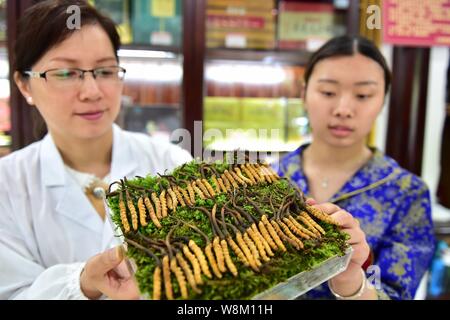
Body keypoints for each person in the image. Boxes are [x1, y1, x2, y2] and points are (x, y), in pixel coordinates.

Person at [0, 0, 192, 299]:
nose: (92, 92)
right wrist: (81, 285)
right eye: (65, 73)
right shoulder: (7, 185)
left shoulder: (173, 163)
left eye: (104, 71)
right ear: (25, 86)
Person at [273, 35, 436, 300]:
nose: (343, 109)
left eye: (362, 95)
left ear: (381, 102)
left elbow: (397, 294)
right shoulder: (269, 178)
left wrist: (351, 279)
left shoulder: (407, 193)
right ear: (303, 94)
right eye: (328, 92)